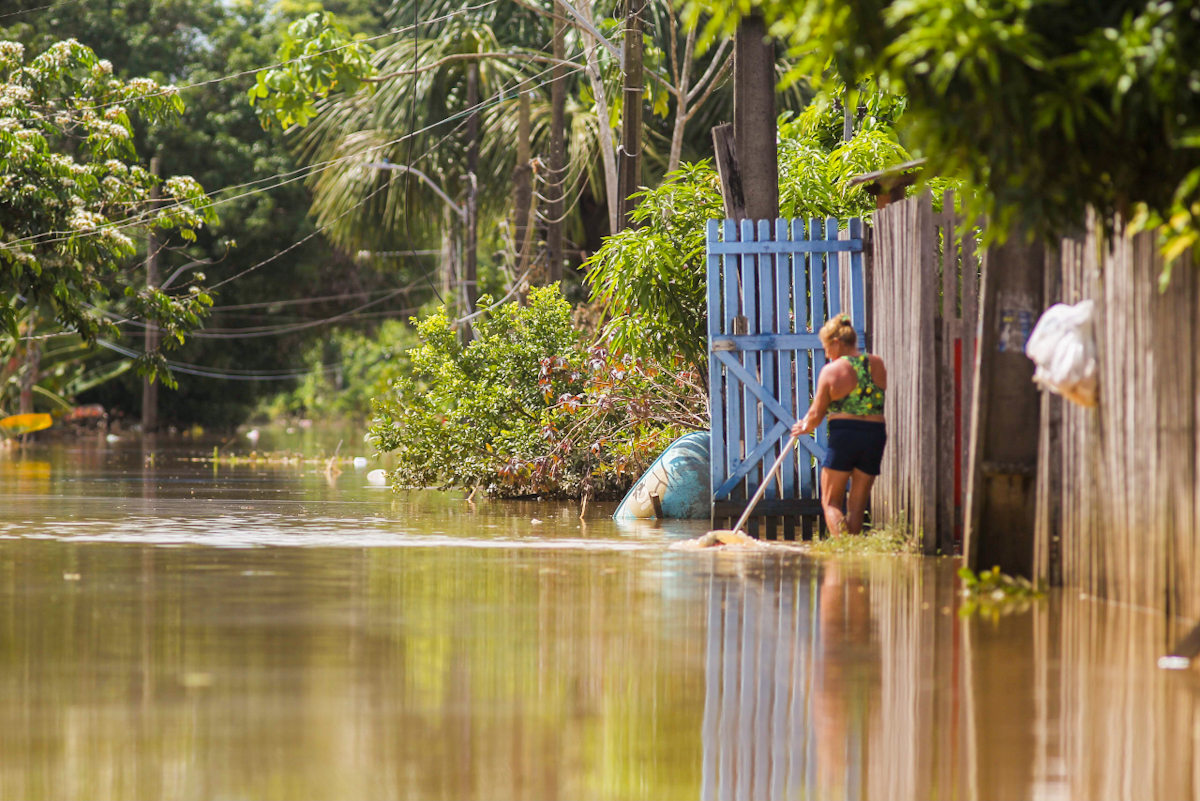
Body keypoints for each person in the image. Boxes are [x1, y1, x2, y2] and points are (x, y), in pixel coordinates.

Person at [791, 314, 887, 537]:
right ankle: (853, 550)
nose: (826, 353)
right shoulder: (877, 364)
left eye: (826, 347)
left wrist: (803, 426)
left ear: (836, 343)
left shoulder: (831, 371)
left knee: (831, 501)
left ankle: (843, 549)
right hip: (875, 435)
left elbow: (816, 414)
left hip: (846, 435)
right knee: (857, 504)